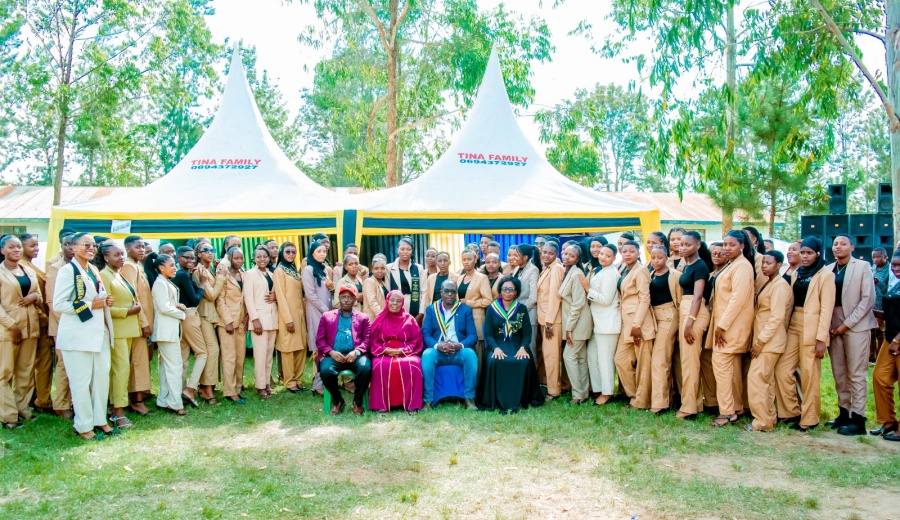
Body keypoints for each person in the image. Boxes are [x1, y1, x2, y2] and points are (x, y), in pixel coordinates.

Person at [54, 233, 118, 439]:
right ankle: (83, 426)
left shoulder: (93, 269)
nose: (91, 248)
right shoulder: (67, 271)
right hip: (77, 337)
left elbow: (96, 295)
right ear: (73, 247)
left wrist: (106, 300)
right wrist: (91, 305)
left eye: (93, 245)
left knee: (101, 379)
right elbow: (59, 304)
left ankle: (100, 420)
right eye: (86, 244)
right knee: (81, 383)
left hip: (99, 334)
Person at [775, 236, 835, 431]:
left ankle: (810, 418)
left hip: (813, 327)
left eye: (809, 253)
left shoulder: (825, 275)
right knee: (782, 369)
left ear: (818, 254)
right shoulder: (797, 273)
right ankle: (791, 412)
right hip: (794, 323)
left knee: (810, 374)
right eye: (803, 253)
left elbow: (827, 309)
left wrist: (821, 339)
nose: (805, 256)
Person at [824, 235, 876, 435]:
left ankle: (858, 419)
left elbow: (867, 299)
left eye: (843, 244)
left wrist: (846, 325)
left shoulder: (862, 267)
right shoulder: (828, 269)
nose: (838, 247)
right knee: (839, 372)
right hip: (833, 325)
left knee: (856, 373)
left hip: (857, 325)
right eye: (835, 244)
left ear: (852, 247)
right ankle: (844, 413)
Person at [708, 230, 755, 427]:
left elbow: (738, 299)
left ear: (742, 246)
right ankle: (736, 407)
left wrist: (722, 326)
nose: (727, 248)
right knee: (731, 369)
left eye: (732, 245)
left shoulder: (742, 266)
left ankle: (727, 412)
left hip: (731, 326)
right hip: (726, 324)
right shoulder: (732, 264)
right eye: (725, 244)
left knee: (721, 366)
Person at [478, 276, 544, 413]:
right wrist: (495, 348)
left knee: (523, 361)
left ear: (516, 292)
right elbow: (488, 334)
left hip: (517, 345)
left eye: (511, 289)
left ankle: (521, 399)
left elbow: (527, 333)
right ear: (500, 291)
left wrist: (523, 348)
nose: (507, 292)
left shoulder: (522, 309)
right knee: (494, 360)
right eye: (504, 289)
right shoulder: (492, 309)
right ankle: (496, 399)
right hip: (497, 344)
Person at [746, 251, 793, 432]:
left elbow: (776, 317)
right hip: (765, 339)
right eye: (763, 263)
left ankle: (761, 421)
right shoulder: (769, 283)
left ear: (779, 265)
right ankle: (768, 418)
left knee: (756, 379)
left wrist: (760, 342)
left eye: (768, 263)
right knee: (766, 380)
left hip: (769, 341)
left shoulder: (780, 286)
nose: (764, 266)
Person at [96, 242, 140, 429]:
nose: (121, 258)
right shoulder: (104, 275)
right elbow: (104, 306)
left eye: (122, 254)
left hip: (127, 330)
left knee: (121, 370)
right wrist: (128, 311)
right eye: (116, 255)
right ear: (106, 258)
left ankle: (116, 406)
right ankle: (118, 412)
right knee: (121, 370)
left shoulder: (117, 273)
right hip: (117, 330)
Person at [0, 236, 42, 429]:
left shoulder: (28, 271)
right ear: (2, 250)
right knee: (5, 373)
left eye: (18, 247)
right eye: (11, 247)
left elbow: (39, 295)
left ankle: (23, 409)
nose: (16, 250)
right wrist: (12, 326)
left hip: (30, 327)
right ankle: (8, 416)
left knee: (25, 372)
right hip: (8, 330)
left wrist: (34, 297)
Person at [421, 279, 478, 410]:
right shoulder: (432, 309)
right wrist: (437, 345)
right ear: (441, 292)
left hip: (458, 351)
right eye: (447, 291)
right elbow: (426, 334)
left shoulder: (465, 310)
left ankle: (469, 398)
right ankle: (428, 400)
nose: (450, 294)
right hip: (438, 351)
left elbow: (472, 335)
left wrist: (460, 345)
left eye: (453, 292)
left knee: (470, 354)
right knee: (427, 355)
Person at [316, 286, 372, 415]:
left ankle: (357, 401)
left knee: (365, 368)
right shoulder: (327, 316)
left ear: (354, 300)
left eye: (349, 297)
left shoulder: (363, 317)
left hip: (355, 354)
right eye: (343, 297)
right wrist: (331, 352)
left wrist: (357, 351)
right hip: (334, 354)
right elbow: (320, 340)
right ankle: (338, 400)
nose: (346, 300)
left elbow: (367, 340)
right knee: (326, 371)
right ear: (339, 299)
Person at [614, 239, 655, 409]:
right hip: (627, 323)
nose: (627, 254)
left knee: (644, 365)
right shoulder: (624, 269)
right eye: (624, 251)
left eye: (631, 251)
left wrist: (637, 325)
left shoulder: (641, 270)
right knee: (621, 360)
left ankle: (642, 401)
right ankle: (634, 395)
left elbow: (645, 298)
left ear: (638, 253)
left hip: (640, 325)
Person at [676, 232, 713, 419]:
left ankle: (689, 407)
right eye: (681, 244)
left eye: (687, 245)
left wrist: (690, 322)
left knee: (690, 362)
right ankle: (694, 403)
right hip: (686, 310)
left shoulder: (700, 266)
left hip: (694, 313)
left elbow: (698, 297)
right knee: (687, 360)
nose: (683, 248)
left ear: (698, 245)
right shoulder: (687, 265)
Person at [369, 291, 424, 414]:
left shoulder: (410, 319)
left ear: (403, 303)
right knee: (379, 366)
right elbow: (373, 341)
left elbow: (416, 340)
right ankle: (382, 405)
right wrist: (385, 350)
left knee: (413, 364)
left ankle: (411, 404)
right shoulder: (380, 319)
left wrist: (403, 350)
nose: (395, 303)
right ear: (387, 302)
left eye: (398, 301)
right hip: (384, 352)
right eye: (392, 300)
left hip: (405, 352)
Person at [146, 252, 187, 416]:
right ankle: (175, 403)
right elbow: (163, 308)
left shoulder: (164, 282)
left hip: (169, 331)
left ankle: (164, 399)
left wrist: (178, 305)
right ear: (161, 268)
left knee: (165, 367)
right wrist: (182, 314)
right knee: (175, 366)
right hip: (166, 331)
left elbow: (167, 304)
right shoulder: (160, 283)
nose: (175, 268)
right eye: (172, 265)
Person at [581, 243, 620, 405]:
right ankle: (598, 388)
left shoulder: (611, 273)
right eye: (602, 253)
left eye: (608, 255)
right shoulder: (600, 270)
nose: (603, 257)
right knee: (592, 355)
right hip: (597, 323)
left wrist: (588, 289)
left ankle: (607, 392)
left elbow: (605, 299)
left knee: (605, 360)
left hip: (607, 323)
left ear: (614, 258)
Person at [18, 234, 52, 415]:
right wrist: (44, 319)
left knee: (40, 362)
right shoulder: (21, 269)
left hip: (40, 320)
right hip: (35, 322)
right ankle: (41, 401)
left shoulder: (31, 267)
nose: (37, 249)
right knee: (39, 363)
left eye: (37, 245)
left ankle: (38, 398)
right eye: (32, 246)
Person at [120, 236, 153, 415]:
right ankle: (136, 401)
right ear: (127, 248)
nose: (142, 250)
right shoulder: (128, 266)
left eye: (143, 247)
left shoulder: (137, 265)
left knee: (141, 361)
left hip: (144, 322)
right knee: (137, 362)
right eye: (137, 247)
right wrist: (144, 323)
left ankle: (140, 395)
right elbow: (133, 297)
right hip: (138, 323)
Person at [172, 246, 207, 408]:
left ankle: (179, 391)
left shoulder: (180, 274)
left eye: (193, 258)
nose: (191, 260)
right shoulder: (182, 275)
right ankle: (190, 388)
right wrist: (202, 284)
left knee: (184, 357)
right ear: (178, 257)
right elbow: (194, 300)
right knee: (202, 353)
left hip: (180, 317)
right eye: (187, 257)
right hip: (189, 314)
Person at [648, 245, 682, 413]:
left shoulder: (674, 275)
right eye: (653, 257)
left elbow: (681, 300)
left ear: (667, 258)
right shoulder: (650, 274)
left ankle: (660, 403)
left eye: (660, 257)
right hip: (654, 317)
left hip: (669, 317)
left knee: (659, 359)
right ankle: (668, 397)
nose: (656, 261)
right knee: (663, 358)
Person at [45, 232, 75, 419]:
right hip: (62, 324)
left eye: (73, 244)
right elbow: (52, 301)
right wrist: (67, 322)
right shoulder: (56, 268)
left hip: (78, 324)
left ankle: (73, 400)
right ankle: (61, 404)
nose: (70, 248)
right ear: (61, 246)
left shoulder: (80, 267)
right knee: (64, 365)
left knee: (75, 364)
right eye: (67, 244)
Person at [871, 249, 900, 440]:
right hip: (890, 338)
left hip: (897, 340)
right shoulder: (896, 284)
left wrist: (897, 341)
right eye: (894, 266)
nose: (896, 269)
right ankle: (889, 421)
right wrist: (871, 311)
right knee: (880, 377)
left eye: (899, 266)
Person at [557, 244, 592, 404]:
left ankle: (578, 395)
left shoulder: (576, 274)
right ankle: (583, 392)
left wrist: (569, 328)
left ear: (578, 259)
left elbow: (578, 303)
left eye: (571, 256)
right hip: (575, 320)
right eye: (565, 253)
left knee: (569, 356)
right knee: (580, 357)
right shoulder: (569, 272)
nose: (567, 257)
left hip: (578, 322)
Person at [272, 242, 309, 393]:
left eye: (293, 252)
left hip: (300, 314)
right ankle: (289, 381)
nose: (291, 254)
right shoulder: (279, 271)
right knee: (288, 348)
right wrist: (288, 320)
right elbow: (280, 296)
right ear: (282, 253)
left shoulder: (294, 270)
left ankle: (298, 378)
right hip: (287, 316)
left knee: (301, 346)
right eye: (288, 251)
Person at [244, 247, 278, 399]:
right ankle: (260, 386)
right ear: (254, 258)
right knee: (260, 354)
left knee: (269, 354)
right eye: (259, 257)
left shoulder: (271, 274)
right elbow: (248, 298)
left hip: (272, 318)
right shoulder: (250, 274)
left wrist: (275, 296)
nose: (262, 259)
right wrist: (254, 319)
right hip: (259, 320)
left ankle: (267, 384)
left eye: (265, 256)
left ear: (269, 258)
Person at [193, 242, 225, 404]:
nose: (210, 253)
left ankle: (208, 385)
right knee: (212, 350)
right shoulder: (198, 271)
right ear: (199, 254)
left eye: (212, 250)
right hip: (203, 314)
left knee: (213, 350)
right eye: (206, 250)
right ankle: (206, 388)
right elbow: (211, 295)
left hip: (213, 315)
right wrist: (221, 277)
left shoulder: (210, 269)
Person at [216, 246, 248, 404]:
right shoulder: (223, 274)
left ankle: (238, 387)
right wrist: (227, 321)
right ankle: (230, 391)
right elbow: (220, 300)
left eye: (241, 258)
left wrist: (246, 316)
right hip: (227, 322)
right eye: (236, 258)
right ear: (229, 258)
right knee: (229, 357)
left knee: (240, 357)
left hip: (241, 321)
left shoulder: (243, 274)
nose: (239, 261)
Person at [302, 240, 334, 396]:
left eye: (324, 251)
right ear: (312, 253)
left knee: (327, 346)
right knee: (319, 347)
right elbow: (310, 294)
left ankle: (322, 382)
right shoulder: (308, 270)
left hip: (327, 313)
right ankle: (317, 385)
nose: (322, 254)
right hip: (316, 312)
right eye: (319, 251)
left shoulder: (323, 269)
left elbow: (328, 291)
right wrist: (325, 310)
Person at [536, 242, 566, 400]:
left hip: (552, 320)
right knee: (548, 355)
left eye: (550, 253)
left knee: (552, 356)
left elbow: (555, 296)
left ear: (556, 254)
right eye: (544, 252)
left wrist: (549, 322)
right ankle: (550, 384)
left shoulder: (556, 269)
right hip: (544, 318)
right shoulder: (546, 268)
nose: (546, 255)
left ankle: (554, 391)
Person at [457, 250, 494, 361]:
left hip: (476, 318)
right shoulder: (459, 278)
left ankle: (478, 373)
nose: (466, 262)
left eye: (469, 259)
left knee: (478, 351)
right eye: (464, 259)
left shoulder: (482, 277)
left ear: (475, 260)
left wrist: (469, 303)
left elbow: (488, 300)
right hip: (461, 318)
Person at [387, 238, 426, 325]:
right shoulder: (389, 268)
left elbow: (424, 292)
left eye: (408, 249)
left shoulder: (418, 268)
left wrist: (421, 313)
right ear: (397, 250)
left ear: (412, 251)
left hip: (415, 307)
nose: (405, 252)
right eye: (402, 249)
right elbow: (387, 292)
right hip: (396, 306)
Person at [512, 244, 539, 353]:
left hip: (528, 313)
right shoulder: (516, 269)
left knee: (529, 347)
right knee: (518, 346)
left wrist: (521, 311)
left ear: (525, 257)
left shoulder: (533, 270)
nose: (513, 258)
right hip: (516, 312)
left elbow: (533, 297)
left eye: (516, 255)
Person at [873, 248, 890, 361]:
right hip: (871, 305)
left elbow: (887, 290)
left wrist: (878, 282)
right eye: (874, 257)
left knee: (880, 331)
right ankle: (871, 355)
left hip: (882, 307)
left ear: (885, 257)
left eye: (878, 257)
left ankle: (880, 355)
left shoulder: (890, 270)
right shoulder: (873, 268)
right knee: (871, 331)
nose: (876, 259)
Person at [362, 257, 389, 321]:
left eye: (382, 268)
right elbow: (372, 302)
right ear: (372, 270)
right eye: (376, 268)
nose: (380, 271)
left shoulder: (383, 283)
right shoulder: (369, 281)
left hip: (382, 317)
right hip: (374, 318)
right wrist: (382, 316)